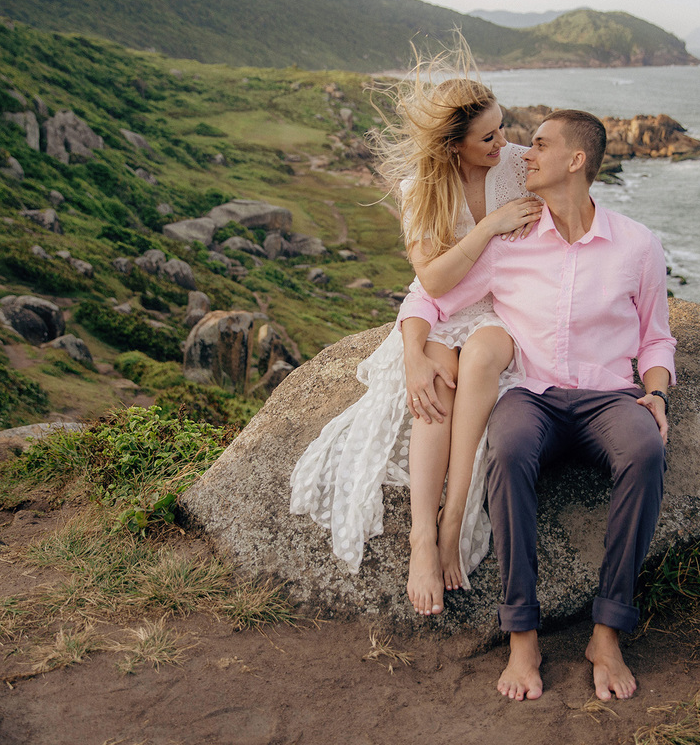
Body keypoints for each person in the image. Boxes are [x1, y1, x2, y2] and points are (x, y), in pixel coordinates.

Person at [398, 109, 675, 702]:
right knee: (509, 448)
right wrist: (414, 352)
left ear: (576, 161)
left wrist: (654, 392)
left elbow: (657, 337)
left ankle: (608, 631)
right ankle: (522, 634)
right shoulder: (511, 243)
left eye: (541, 145)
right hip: (534, 396)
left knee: (646, 449)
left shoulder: (638, 245)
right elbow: (429, 295)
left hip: (608, 398)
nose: (525, 154)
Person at [289, 50, 543, 618]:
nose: (503, 145)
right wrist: (493, 228)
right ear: (454, 145)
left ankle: (453, 520)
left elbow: (575, 188)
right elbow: (431, 280)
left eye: (503, 129)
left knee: (480, 355)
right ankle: (422, 537)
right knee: (436, 384)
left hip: (508, 312)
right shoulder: (421, 191)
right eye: (488, 139)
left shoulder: (519, 165)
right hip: (444, 309)